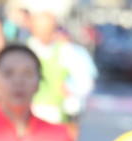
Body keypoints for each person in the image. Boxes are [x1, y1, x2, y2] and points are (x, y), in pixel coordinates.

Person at [24, 0, 95, 128]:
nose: (44, 32)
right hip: (28, 114)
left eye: (48, 28)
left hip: (57, 115)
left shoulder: (65, 51)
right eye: (40, 27)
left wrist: (72, 91)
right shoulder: (23, 50)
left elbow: (85, 81)